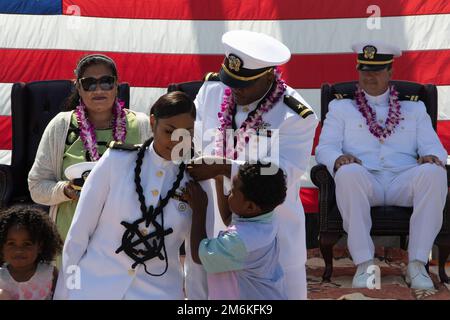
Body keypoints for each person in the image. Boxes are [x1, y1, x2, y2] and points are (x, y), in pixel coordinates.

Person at [187, 30, 318, 300]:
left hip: (272, 243)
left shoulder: (295, 115)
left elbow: (281, 175)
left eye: (244, 84)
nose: (234, 89)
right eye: (230, 80)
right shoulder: (212, 90)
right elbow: (191, 140)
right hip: (212, 229)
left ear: (269, 76)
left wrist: (226, 168)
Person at [315, 41, 447, 289]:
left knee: (435, 173)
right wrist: (337, 159)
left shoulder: (415, 108)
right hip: (365, 179)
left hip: (403, 179)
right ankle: (365, 264)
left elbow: (434, 148)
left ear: (390, 72)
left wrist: (431, 157)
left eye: (376, 70)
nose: (369, 76)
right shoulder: (341, 106)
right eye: (364, 70)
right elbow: (325, 148)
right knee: (347, 172)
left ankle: (417, 265)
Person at [54, 91, 198, 300]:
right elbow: (78, 235)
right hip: (93, 288)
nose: (178, 141)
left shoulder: (195, 179)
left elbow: (196, 257)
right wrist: (63, 295)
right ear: (152, 122)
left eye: (187, 133)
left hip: (158, 293)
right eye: (169, 131)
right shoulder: (117, 161)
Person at [28, 54, 151, 243]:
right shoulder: (61, 125)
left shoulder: (141, 125)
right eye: (89, 83)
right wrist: (66, 190)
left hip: (126, 236)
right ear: (78, 87)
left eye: (106, 82)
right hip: (70, 235)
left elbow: (155, 180)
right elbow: (36, 187)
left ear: (116, 85)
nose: (98, 89)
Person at [186, 162, 287, 300]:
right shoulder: (266, 217)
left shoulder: (243, 240)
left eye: (232, 191)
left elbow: (200, 255)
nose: (229, 194)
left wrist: (199, 209)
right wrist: (219, 176)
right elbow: (229, 218)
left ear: (250, 206)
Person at [0, 205, 63, 300]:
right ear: (2, 246)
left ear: (40, 247)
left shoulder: (50, 274)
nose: (19, 250)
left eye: (27, 244)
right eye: (11, 243)